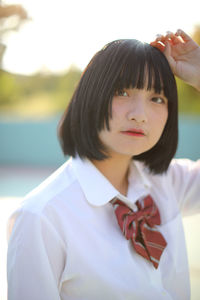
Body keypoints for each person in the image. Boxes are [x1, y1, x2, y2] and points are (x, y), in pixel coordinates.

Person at [7, 29, 200, 300]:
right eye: (122, 92)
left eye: (157, 98)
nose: (139, 115)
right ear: (91, 97)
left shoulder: (168, 181)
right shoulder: (42, 217)